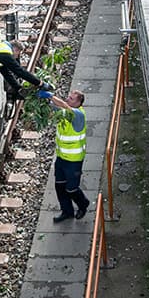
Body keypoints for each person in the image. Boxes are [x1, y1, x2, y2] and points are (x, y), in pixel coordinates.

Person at [36, 86, 89, 223]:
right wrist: (46, 103)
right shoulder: (66, 113)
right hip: (61, 158)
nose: (67, 99)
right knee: (59, 186)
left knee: (71, 189)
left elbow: (64, 106)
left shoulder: (78, 115)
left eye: (71, 98)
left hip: (73, 160)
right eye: (68, 97)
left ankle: (83, 204)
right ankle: (67, 212)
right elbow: (58, 109)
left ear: (78, 103)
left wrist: (50, 96)